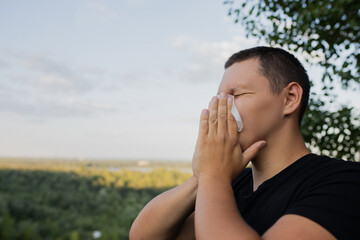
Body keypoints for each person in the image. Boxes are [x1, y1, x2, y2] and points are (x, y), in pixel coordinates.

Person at [129, 47, 360, 240]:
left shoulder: (344, 181)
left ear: (290, 99)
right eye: (218, 98)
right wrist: (203, 176)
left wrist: (213, 176)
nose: (219, 108)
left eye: (235, 95)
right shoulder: (229, 184)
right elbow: (144, 236)